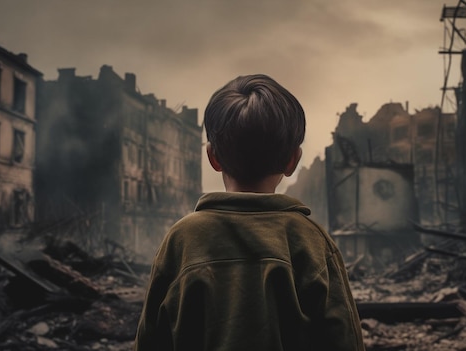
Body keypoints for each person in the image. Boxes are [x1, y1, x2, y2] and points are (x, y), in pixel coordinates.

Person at [134, 74, 365, 351]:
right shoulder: (311, 241)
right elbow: (345, 341)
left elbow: (150, 342)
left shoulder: (181, 239)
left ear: (213, 157)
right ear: (293, 160)